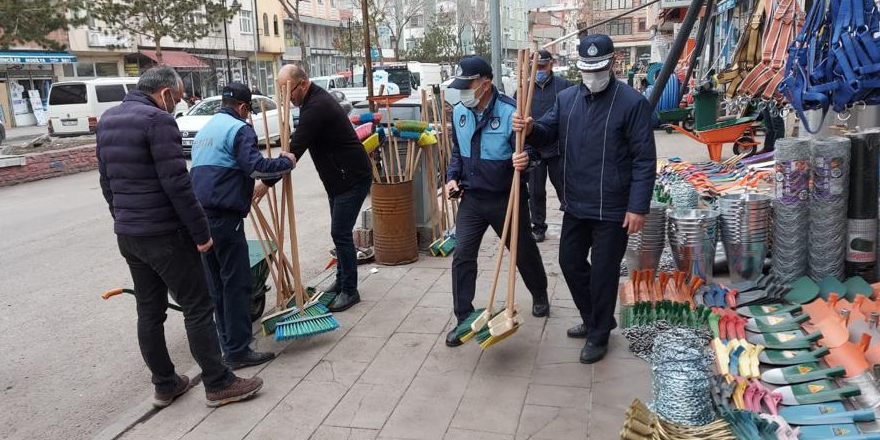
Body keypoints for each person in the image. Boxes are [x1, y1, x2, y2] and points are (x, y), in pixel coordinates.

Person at [96, 66, 263, 408]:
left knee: (149, 310)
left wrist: (123, 218)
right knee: (199, 306)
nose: (178, 104)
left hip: (129, 235)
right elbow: (178, 184)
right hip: (164, 234)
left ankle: (165, 384)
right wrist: (201, 234)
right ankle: (218, 383)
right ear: (164, 94)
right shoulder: (158, 121)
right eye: (179, 96)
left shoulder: (108, 120)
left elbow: (106, 182)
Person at [513, 35, 656, 364]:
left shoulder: (632, 103)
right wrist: (532, 128)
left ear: (612, 63)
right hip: (576, 202)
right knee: (569, 262)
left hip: (614, 207)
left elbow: (644, 160)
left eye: (598, 68)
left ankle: (598, 334)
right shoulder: (567, 99)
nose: (591, 75)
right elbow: (548, 131)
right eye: (585, 69)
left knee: (604, 271)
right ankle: (597, 318)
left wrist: (637, 207)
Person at [443, 55, 550, 348]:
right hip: (473, 198)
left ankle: (540, 292)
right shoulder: (459, 113)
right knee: (462, 254)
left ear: (486, 83)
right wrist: (453, 177)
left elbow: (536, 149)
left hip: (507, 197)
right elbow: (456, 153)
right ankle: (463, 316)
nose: (463, 90)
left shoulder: (511, 113)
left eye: (468, 84)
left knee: (523, 251)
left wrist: (526, 159)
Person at [190, 82, 297, 369]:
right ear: (242, 108)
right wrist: (285, 162)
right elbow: (256, 167)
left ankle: (227, 346)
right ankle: (238, 352)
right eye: (247, 111)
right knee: (236, 284)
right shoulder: (239, 128)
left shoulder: (207, 129)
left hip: (200, 218)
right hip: (225, 217)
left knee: (217, 286)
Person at [266, 64, 373, 312]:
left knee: (341, 233)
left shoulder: (316, 107)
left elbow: (295, 151)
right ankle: (342, 279)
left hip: (351, 178)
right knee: (339, 233)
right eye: (281, 91)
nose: (286, 97)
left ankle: (350, 290)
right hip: (338, 180)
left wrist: (265, 183)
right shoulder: (310, 102)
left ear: (302, 84)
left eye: (288, 90)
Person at [516, 50, 575, 243]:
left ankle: (573, 223)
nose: (539, 70)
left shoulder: (564, 87)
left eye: (542, 66)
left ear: (551, 64)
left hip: (557, 148)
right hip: (533, 149)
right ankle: (538, 227)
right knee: (535, 191)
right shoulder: (523, 90)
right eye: (536, 67)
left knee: (564, 188)